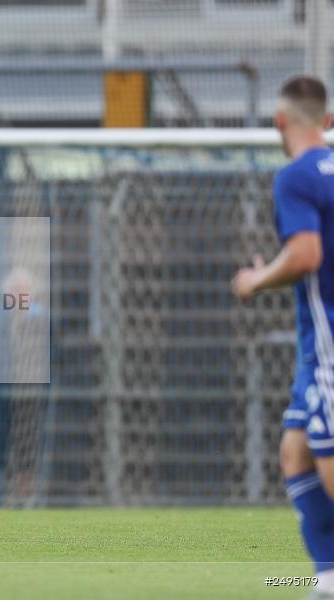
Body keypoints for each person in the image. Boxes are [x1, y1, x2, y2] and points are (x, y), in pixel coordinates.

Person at [232, 75, 334, 599]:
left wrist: (256, 279)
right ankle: (328, 576)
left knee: (328, 459)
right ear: (329, 120)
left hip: (330, 344)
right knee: (295, 450)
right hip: (318, 347)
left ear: (279, 121)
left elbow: (306, 256)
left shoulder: (296, 175)